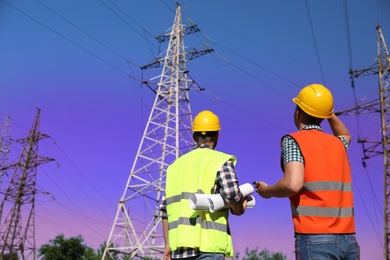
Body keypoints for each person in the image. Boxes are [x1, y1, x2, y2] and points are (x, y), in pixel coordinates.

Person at [254, 84, 360, 260]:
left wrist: (266, 191)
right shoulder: (338, 144)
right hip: (348, 240)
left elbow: (292, 184)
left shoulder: (294, 140)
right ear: (324, 116)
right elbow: (346, 135)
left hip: (315, 239)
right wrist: (327, 111)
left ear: (298, 112)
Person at [160, 110, 247, 260]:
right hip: (208, 248)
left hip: (179, 250)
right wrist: (239, 207)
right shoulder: (220, 161)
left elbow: (164, 210)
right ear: (217, 135)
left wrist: (168, 245)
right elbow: (232, 194)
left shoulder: (174, 167)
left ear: (194, 136)